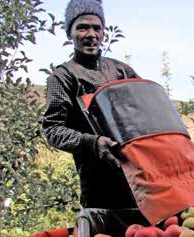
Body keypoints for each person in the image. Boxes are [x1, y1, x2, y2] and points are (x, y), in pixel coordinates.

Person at [42, 0, 139, 212]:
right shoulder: (63, 77)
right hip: (98, 184)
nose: (91, 34)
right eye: (82, 27)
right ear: (70, 33)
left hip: (140, 176)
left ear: (104, 32)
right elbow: (53, 130)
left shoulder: (122, 71)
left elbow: (145, 110)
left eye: (97, 27)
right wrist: (92, 142)